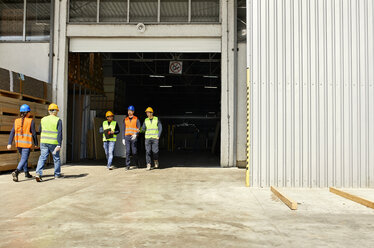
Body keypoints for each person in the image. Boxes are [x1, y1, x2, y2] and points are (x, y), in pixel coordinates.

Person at [7, 104, 38, 182]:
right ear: (27, 113)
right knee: (24, 158)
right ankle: (16, 172)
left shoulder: (16, 121)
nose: (30, 113)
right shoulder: (31, 121)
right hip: (26, 144)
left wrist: (9, 143)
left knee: (24, 159)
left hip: (18, 144)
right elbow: (34, 133)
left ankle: (26, 173)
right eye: (29, 112)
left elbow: (12, 132)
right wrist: (36, 143)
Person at [35, 103, 63, 182]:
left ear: (49, 111)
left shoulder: (43, 119)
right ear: (56, 111)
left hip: (43, 141)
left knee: (42, 157)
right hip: (53, 143)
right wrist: (59, 144)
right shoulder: (58, 120)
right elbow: (60, 133)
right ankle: (57, 174)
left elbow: (40, 130)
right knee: (56, 158)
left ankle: (38, 174)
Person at [122, 105, 141, 170]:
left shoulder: (136, 119)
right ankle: (127, 165)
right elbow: (123, 129)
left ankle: (137, 163)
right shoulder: (125, 119)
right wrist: (123, 138)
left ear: (133, 112)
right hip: (127, 137)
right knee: (127, 151)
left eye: (130, 111)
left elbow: (139, 128)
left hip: (133, 137)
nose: (129, 112)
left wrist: (136, 134)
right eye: (128, 111)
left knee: (134, 152)